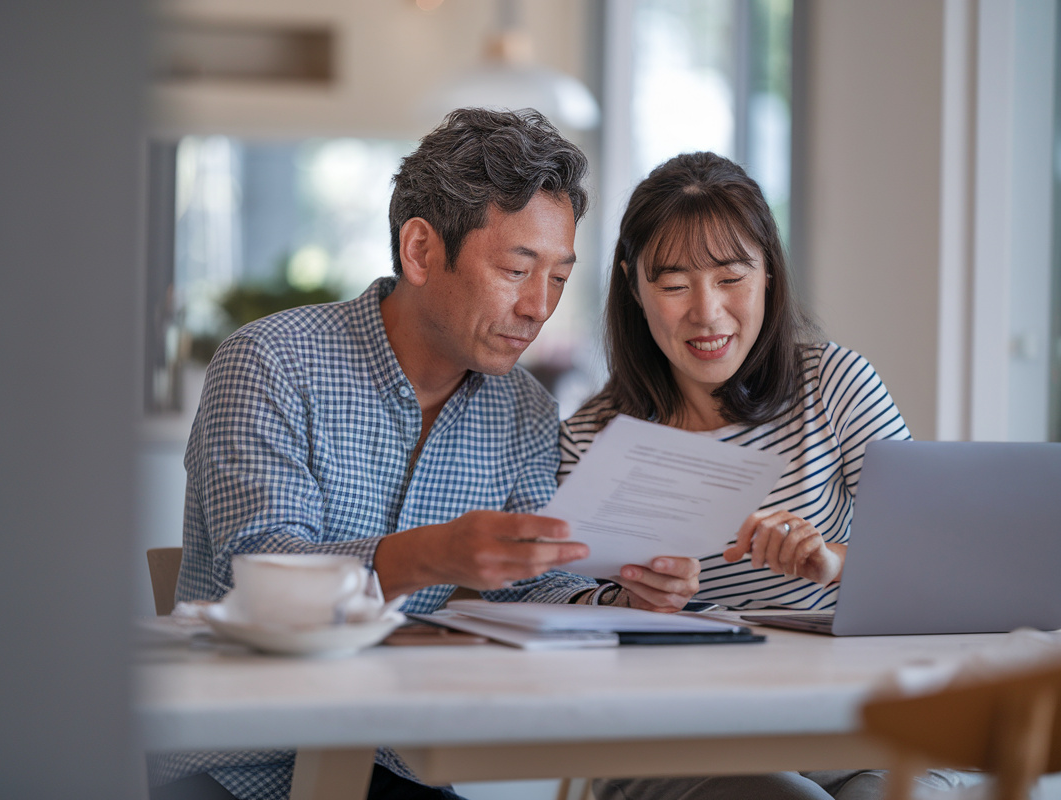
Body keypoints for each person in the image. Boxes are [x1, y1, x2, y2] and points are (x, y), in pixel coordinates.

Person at [151, 108, 700, 800]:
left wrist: (617, 595)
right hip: (242, 768)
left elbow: (529, 586)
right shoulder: (270, 363)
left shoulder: (525, 410)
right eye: (516, 268)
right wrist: (437, 553)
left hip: (395, 764)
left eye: (558, 277)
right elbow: (262, 577)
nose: (538, 306)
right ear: (419, 251)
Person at [561, 152, 936, 800]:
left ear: (768, 272)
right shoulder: (594, 437)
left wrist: (835, 562)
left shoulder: (835, 384)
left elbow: (934, 558)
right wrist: (629, 602)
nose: (706, 314)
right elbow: (556, 608)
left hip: (855, 721)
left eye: (731, 276)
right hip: (682, 735)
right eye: (674, 285)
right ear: (632, 283)